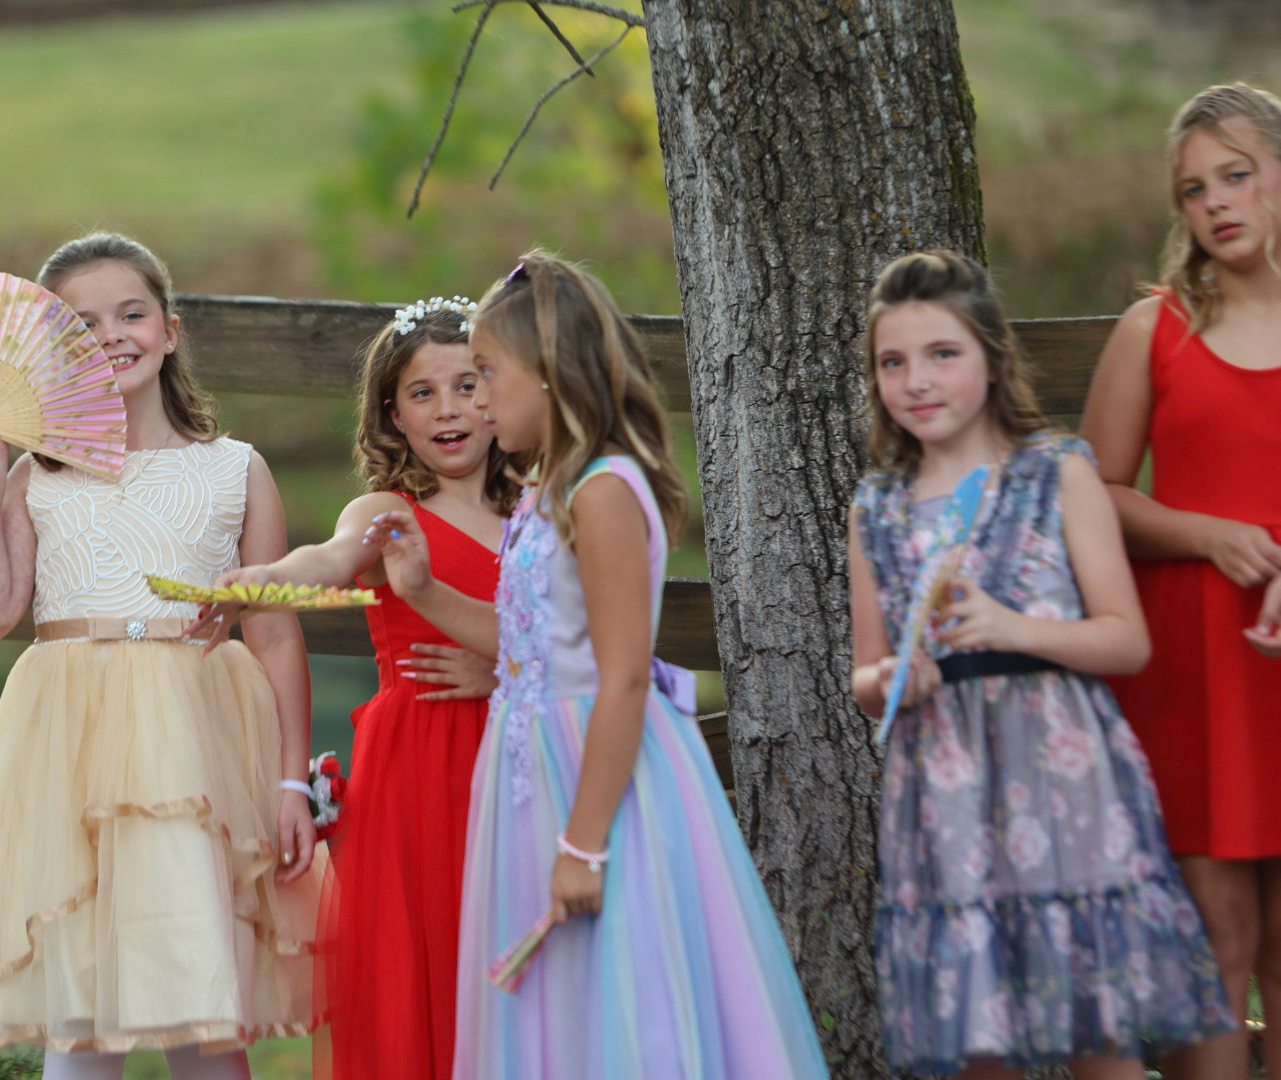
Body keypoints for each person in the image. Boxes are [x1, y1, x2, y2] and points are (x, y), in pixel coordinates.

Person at [366, 251, 830, 1079]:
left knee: (623, 996)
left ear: (548, 374)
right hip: (535, 774)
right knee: (562, 1007)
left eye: (487, 373)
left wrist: (583, 845)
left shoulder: (605, 490)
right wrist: (424, 592)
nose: (478, 398)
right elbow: (531, 639)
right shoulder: (545, 489)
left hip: (597, 779)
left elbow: (623, 676)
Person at [0, 233, 322, 1080]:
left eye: (131, 314)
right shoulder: (36, 477)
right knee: (79, 1005)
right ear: (49, 353)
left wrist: (291, 782)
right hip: (68, 753)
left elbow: (273, 633)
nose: (110, 335)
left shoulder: (235, 471)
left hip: (195, 751)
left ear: (170, 331)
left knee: (200, 996)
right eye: (81, 326)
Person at [851, 250, 1232, 1078]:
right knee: (981, 1038)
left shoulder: (1056, 473)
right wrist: (892, 681)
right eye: (893, 362)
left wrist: (1010, 626)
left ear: (993, 358)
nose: (917, 380)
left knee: (1097, 1033)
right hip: (946, 794)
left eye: (942, 353)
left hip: (1066, 787)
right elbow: (865, 673)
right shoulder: (876, 506)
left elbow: (1124, 639)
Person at [206, 297, 517, 1080]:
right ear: (394, 415)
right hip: (413, 769)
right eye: (423, 393)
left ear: (501, 390)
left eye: (468, 385)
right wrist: (264, 578)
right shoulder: (387, 514)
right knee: (414, 956)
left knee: (506, 950)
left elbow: (582, 634)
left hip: (517, 758)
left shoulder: (542, 511)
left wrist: (505, 670)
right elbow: (328, 558)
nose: (448, 409)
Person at [1080, 81, 1281, 1080]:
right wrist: (1206, 533)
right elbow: (1093, 494)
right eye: (1194, 190)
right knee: (1218, 942)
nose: (1216, 203)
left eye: (1236, 176)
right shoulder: (1154, 328)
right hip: (1200, 671)